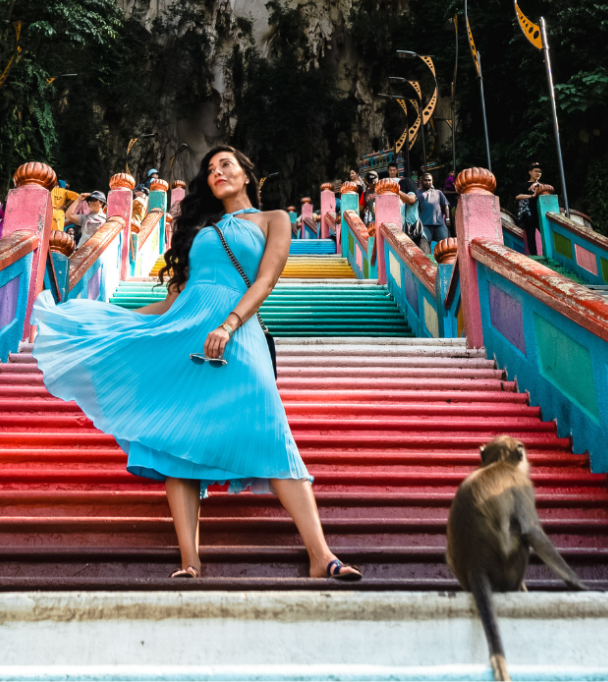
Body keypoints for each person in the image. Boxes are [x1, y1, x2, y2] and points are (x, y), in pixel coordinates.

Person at [31, 145, 363, 581]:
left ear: (247, 174)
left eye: (226, 164)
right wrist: (113, 321)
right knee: (175, 443)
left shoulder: (273, 219)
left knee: (272, 431)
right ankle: (190, 561)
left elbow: (266, 279)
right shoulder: (201, 229)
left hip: (237, 332)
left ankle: (321, 556)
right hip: (184, 332)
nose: (217, 172)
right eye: (210, 169)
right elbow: (175, 300)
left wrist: (228, 325)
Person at [388, 164, 422, 249]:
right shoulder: (401, 198)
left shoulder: (410, 194)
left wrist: (397, 191)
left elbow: (410, 200)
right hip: (406, 230)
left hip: (413, 230)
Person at [515, 162, 545, 254]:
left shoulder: (543, 186)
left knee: (546, 235)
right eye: (536, 171)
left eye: (540, 171)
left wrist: (538, 186)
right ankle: (534, 256)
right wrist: (532, 195)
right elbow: (517, 196)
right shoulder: (523, 185)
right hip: (529, 215)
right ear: (530, 172)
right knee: (531, 237)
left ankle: (549, 254)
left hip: (542, 214)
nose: (538, 173)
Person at [417, 172, 451, 251]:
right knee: (425, 249)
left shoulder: (438, 192)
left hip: (439, 224)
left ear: (432, 181)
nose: (427, 182)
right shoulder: (417, 193)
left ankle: (445, 263)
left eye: (429, 180)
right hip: (424, 225)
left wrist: (447, 218)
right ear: (422, 181)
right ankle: (429, 263)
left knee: (445, 247)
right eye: (425, 180)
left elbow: (445, 205)